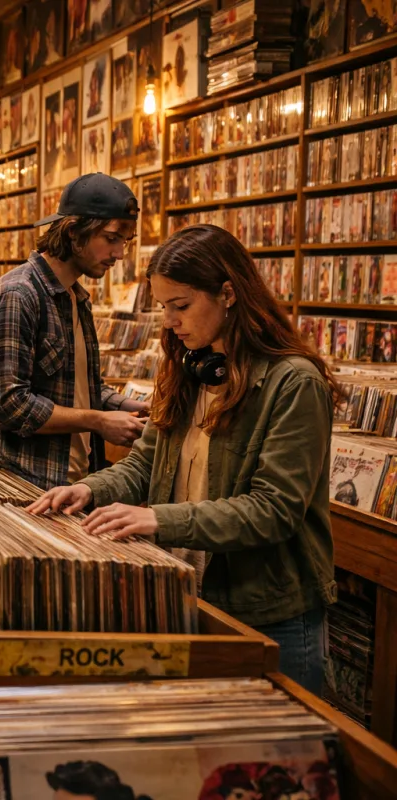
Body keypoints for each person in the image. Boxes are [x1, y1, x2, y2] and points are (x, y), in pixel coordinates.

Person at [29, 224, 338, 693]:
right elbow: (142, 465)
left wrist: (157, 518)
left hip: (268, 612)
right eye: (163, 308)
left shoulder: (294, 384)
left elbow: (274, 511)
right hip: (188, 594)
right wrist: (90, 489)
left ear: (229, 294)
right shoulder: (191, 367)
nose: (170, 322)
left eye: (182, 306)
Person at [0, 173, 148, 489]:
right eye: (111, 238)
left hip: (72, 481)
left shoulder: (75, 298)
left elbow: (75, 386)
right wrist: (98, 421)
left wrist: (124, 407)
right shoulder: (17, 296)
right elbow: (8, 405)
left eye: (125, 241)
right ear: (74, 232)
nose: (120, 254)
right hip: (24, 486)